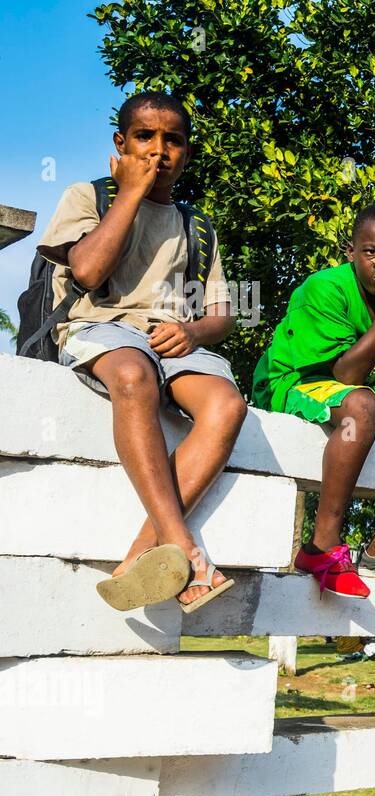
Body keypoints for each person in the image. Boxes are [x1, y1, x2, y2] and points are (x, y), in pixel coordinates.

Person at [37, 91, 247, 613]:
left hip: (173, 340)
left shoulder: (197, 225)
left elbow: (223, 313)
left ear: (187, 152)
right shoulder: (88, 196)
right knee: (134, 377)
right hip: (103, 327)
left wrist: (194, 334)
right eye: (144, 137)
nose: (159, 150)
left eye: (172, 140)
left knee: (227, 405)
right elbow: (87, 271)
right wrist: (130, 193)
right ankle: (185, 549)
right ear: (120, 144)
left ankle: (141, 556)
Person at [253, 204, 375, 600]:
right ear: (351, 252)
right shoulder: (324, 287)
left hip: (367, 387)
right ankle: (323, 547)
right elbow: (343, 376)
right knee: (362, 407)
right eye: (373, 252)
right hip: (300, 380)